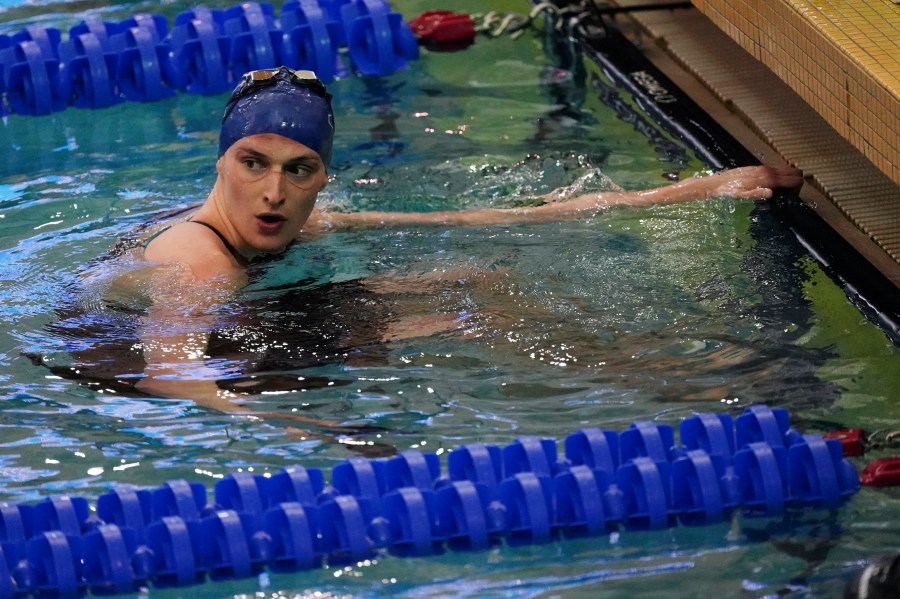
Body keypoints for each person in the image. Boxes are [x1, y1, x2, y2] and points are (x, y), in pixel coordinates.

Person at [72, 66, 805, 419]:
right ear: (220, 161)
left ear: (324, 177)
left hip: (251, 329)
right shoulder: (195, 259)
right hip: (127, 359)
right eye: (253, 164)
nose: (274, 193)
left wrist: (693, 189)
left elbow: (509, 219)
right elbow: (174, 374)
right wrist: (309, 442)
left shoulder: (301, 222)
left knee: (477, 275)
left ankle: (678, 383)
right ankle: (691, 392)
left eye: (300, 170)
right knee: (464, 310)